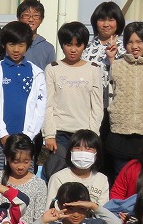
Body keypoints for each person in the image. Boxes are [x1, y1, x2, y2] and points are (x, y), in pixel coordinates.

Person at [42, 21, 103, 179]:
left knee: (81, 176)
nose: (73, 49)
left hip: (84, 134)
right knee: (56, 175)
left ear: (84, 45)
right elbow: (47, 104)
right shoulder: (53, 68)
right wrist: (49, 134)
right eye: (69, 44)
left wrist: (92, 136)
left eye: (78, 44)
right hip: (59, 134)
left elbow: (97, 106)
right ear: (62, 45)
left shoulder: (93, 69)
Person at [105, 21, 143, 175]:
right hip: (122, 132)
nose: (135, 46)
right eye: (130, 42)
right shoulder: (117, 65)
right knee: (123, 176)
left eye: (139, 41)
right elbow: (112, 93)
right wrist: (111, 60)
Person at [0, 21, 46, 174]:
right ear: (4, 45)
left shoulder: (36, 73)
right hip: (0, 138)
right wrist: (3, 134)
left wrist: (29, 136)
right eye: (12, 44)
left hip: (27, 138)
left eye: (21, 45)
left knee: (25, 176)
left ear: (28, 45)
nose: (16, 50)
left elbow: (40, 108)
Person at [46, 129, 110, 206]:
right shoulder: (58, 178)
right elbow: (51, 208)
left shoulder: (102, 179)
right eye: (77, 148)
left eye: (89, 149)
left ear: (97, 153)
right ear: (70, 151)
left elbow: (104, 211)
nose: (83, 152)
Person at [0, 133, 47, 224]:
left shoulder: (39, 184)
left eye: (26, 162)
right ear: (7, 158)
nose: (21, 166)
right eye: (16, 162)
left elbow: (39, 219)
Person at [83, 1, 126, 101]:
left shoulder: (124, 49)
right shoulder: (85, 47)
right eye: (102, 20)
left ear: (118, 22)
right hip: (88, 103)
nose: (106, 24)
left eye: (111, 20)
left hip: (115, 103)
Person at [17, 0, 56, 71]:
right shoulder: (10, 44)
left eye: (36, 16)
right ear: (18, 17)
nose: (31, 19)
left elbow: (51, 75)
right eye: (26, 15)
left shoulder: (48, 48)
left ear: (41, 19)